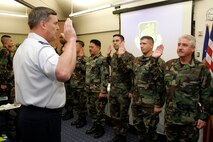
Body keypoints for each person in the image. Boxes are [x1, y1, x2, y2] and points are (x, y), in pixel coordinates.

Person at [13, 7, 77, 142]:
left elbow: (64, 70)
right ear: (43, 24)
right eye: (54, 23)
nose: (58, 28)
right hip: (42, 117)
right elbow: (64, 73)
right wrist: (72, 41)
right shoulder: (42, 48)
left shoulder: (25, 46)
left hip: (28, 113)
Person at [156, 34, 212, 142]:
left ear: (193, 48)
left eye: (184, 45)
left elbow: (207, 94)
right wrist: (158, 104)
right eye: (179, 44)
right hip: (170, 119)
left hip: (190, 121)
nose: (180, 47)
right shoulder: (168, 65)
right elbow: (161, 87)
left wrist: (204, 117)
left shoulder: (201, 68)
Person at [116, 35, 165, 142]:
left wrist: (158, 104)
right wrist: (120, 57)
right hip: (137, 101)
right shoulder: (137, 60)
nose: (141, 46)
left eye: (144, 43)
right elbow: (125, 70)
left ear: (151, 45)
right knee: (139, 126)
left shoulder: (159, 62)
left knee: (150, 130)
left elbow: (160, 84)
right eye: (140, 43)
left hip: (150, 103)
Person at [106, 34, 134, 142]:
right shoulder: (114, 56)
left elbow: (130, 73)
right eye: (113, 41)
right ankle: (117, 133)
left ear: (122, 42)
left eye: (117, 40)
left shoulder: (129, 56)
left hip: (124, 92)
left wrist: (121, 57)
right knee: (114, 114)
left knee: (123, 115)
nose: (114, 43)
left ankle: (123, 136)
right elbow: (113, 66)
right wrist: (108, 56)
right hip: (113, 91)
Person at [85, 39, 109, 138]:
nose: (90, 49)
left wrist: (103, 91)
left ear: (98, 48)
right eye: (89, 47)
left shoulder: (102, 60)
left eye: (92, 47)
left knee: (99, 111)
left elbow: (105, 76)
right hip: (89, 90)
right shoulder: (89, 59)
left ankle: (101, 129)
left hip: (97, 91)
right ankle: (95, 126)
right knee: (92, 110)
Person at [70, 40, 88, 128]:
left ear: (81, 47)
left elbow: (86, 70)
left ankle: (83, 120)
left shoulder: (85, 59)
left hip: (81, 86)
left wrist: (81, 59)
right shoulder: (73, 58)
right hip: (73, 85)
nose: (74, 47)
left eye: (76, 46)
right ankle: (79, 118)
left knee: (82, 104)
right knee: (76, 104)